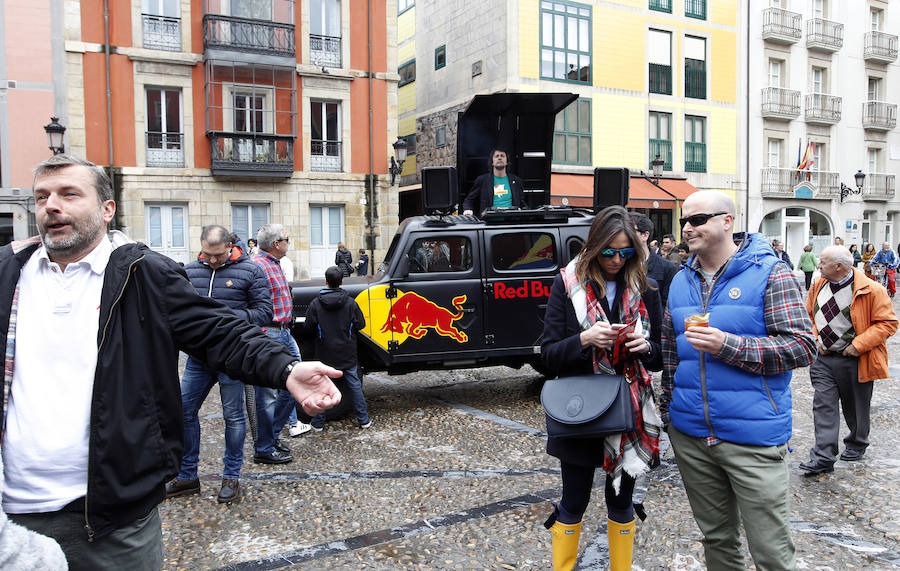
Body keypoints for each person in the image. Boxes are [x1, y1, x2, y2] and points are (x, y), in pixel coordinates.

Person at [0, 155, 341, 570]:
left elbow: (220, 331)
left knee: (234, 417)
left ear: (107, 209)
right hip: (12, 518)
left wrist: (286, 368)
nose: (51, 205)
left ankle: (225, 473)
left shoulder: (143, 273)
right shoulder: (8, 273)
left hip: (114, 518)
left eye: (70, 194)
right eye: (42, 197)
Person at [660, 190, 815, 570]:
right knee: (717, 541)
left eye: (698, 219)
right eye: (684, 220)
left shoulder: (770, 272)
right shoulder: (681, 280)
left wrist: (728, 345)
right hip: (692, 435)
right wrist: (670, 412)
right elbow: (669, 353)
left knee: (771, 551)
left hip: (752, 436)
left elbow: (801, 347)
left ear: (727, 221)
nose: (687, 228)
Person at [541, 206, 663, 571]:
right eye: (608, 251)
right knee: (573, 502)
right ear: (595, 247)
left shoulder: (647, 288)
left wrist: (647, 348)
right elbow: (548, 355)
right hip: (579, 414)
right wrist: (584, 339)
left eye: (625, 252)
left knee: (622, 504)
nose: (616, 259)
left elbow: (658, 359)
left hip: (628, 414)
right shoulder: (567, 284)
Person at [165, 225, 272, 504]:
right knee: (184, 411)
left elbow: (264, 312)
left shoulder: (251, 271)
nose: (211, 260)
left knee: (234, 417)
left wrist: (224, 318)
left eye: (217, 255)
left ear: (230, 246)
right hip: (199, 359)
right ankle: (188, 475)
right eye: (206, 254)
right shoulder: (190, 271)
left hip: (232, 358)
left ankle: (231, 476)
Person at [799, 246, 898, 476]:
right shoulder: (817, 285)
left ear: (839, 266)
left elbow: (887, 323)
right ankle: (823, 456)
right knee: (823, 406)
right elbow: (809, 316)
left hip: (855, 358)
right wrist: (815, 338)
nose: (818, 266)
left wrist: (858, 345)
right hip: (823, 359)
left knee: (855, 406)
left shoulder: (871, 290)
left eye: (822, 263)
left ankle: (857, 442)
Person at [253, 224, 310, 465]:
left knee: (294, 386)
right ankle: (264, 447)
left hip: (285, 333)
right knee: (266, 394)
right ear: (276, 244)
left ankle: (271, 435)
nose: (289, 242)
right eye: (287, 239)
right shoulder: (257, 266)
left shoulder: (275, 263)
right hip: (270, 334)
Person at [306, 266, 371, 431]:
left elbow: (309, 326)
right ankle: (363, 420)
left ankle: (318, 423)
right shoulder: (350, 303)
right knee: (354, 386)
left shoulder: (315, 304)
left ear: (326, 281)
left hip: (324, 353)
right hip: (347, 353)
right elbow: (361, 324)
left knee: (323, 388)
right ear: (341, 282)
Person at [631, 212, 677, 308]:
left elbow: (667, 307)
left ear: (645, 235)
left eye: (630, 231)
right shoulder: (618, 263)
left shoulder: (667, 268)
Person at [462, 148, 527, 216]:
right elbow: (469, 200)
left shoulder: (517, 181)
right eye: (497, 156)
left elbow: (522, 202)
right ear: (492, 162)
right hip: (489, 223)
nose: (499, 158)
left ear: (507, 162)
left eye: (502, 156)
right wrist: (468, 209)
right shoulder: (482, 180)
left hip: (511, 221)